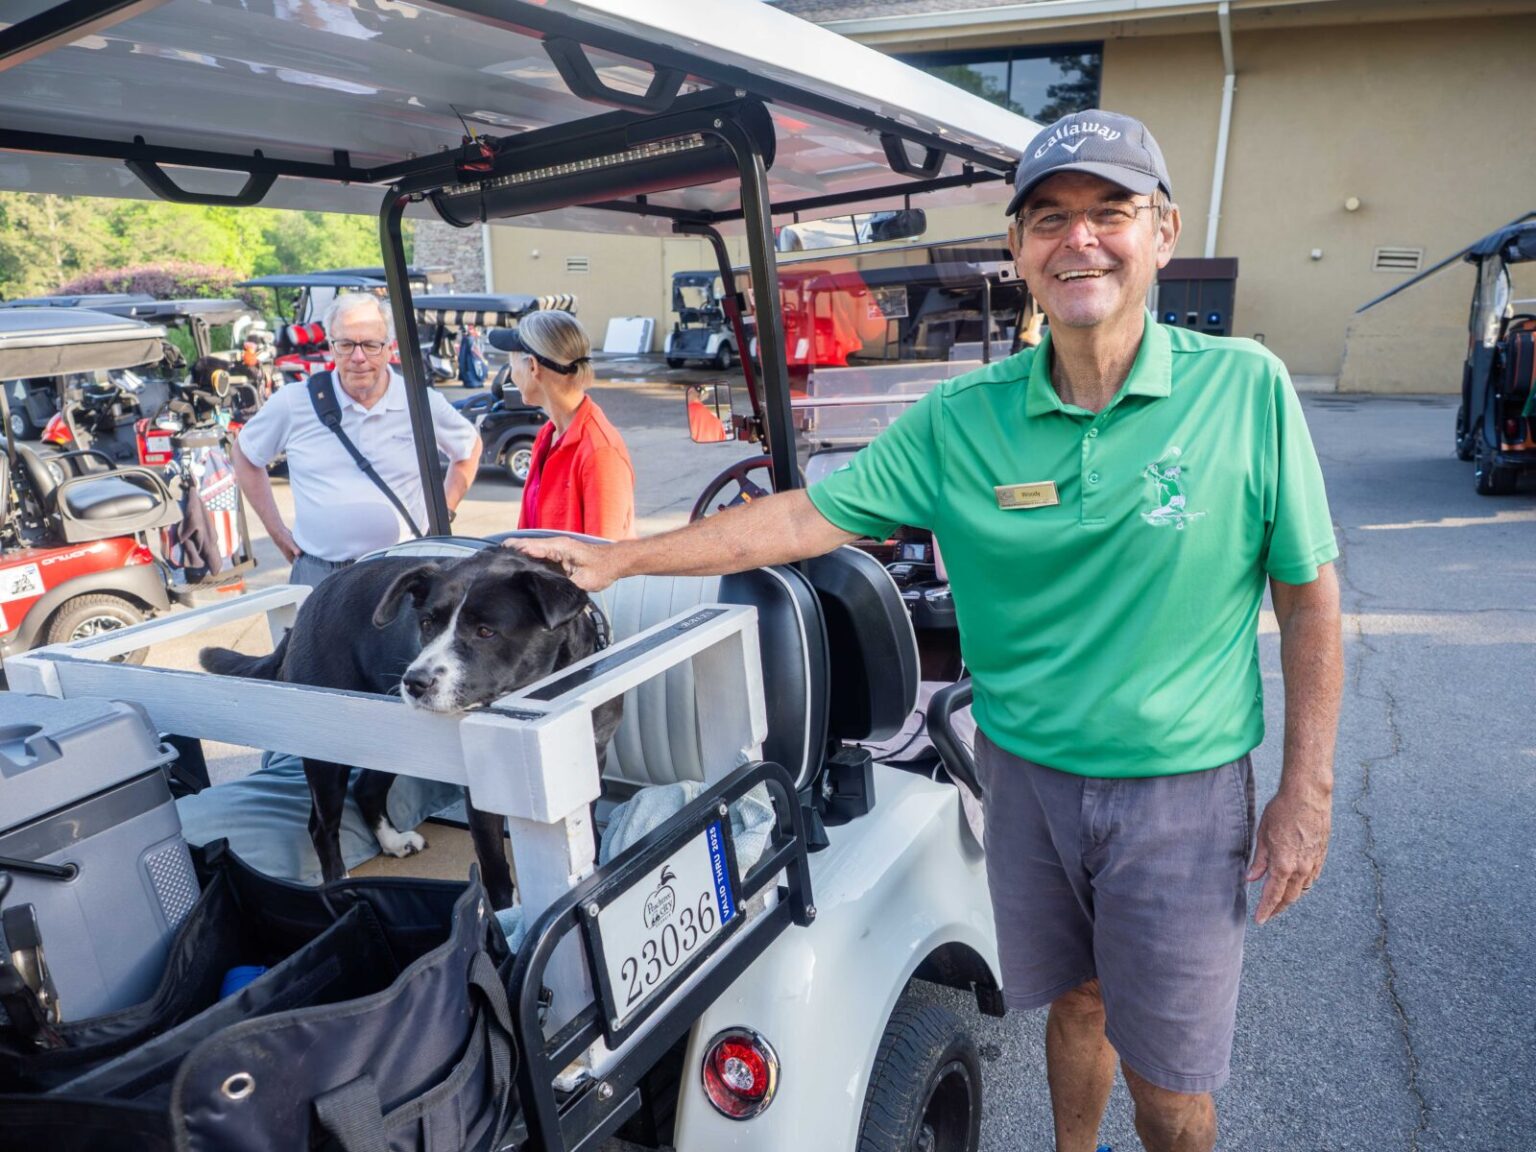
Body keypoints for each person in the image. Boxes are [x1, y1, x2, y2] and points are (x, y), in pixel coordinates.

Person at [513, 108, 1342, 1152]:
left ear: (1163, 232)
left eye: (1110, 211)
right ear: (1018, 248)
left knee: (1172, 1089)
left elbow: (1309, 598)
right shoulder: (964, 418)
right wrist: (621, 558)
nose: (1080, 239)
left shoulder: (1245, 388)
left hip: (1179, 793)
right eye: (1050, 219)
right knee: (1076, 998)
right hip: (1025, 778)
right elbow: (806, 517)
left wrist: (1307, 790)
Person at [231, 292, 481, 588]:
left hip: (400, 573)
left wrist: (443, 515)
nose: (358, 357)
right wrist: (276, 531)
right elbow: (245, 455)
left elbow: (468, 448)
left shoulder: (418, 401)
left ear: (389, 348)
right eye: (346, 344)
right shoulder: (294, 402)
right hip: (320, 574)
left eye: (371, 345)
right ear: (331, 347)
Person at [488, 310, 635, 540]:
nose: (511, 374)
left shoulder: (600, 452)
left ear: (533, 366)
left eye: (511, 363)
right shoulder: (547, 436)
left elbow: (605, 556)